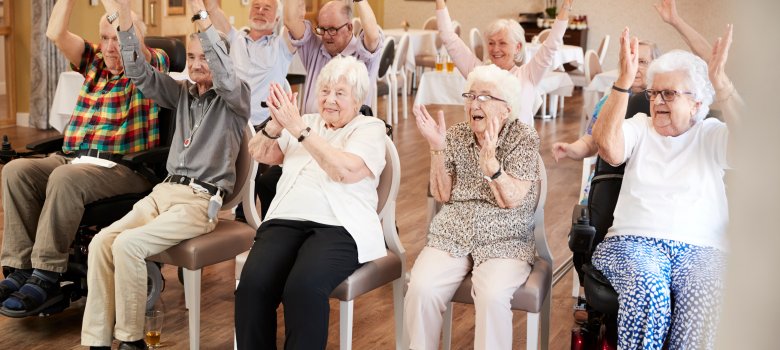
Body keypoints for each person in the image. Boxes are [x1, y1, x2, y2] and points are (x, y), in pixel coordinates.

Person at [80, 0, 250, 348]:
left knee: (128, 245)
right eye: (191, 58)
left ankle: (130, 341)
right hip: (163, 193)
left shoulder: (236, 99)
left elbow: (224, 72)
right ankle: (97, 342)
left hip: (200, 201)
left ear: (219, 59)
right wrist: (123, 22)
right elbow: (139, 73)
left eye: (205, 57)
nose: (197, 65)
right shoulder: (183, 93)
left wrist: (201, 14)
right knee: (100, 243)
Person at [0, 0, 168, 317]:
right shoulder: (93, 62)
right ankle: (20, 268)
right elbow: (54, 32)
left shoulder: (151, 64)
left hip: (124, 167)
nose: (109, 46)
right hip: (75, 159)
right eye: (104, 38)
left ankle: (47, 276)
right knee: (16, 170)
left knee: (65, 179)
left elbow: (130, 39)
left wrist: (120, 17)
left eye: (116, 38)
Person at [590, 26, 739, 349]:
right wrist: (623, 85)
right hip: (633, 242)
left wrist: (723, 85)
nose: (656, 101)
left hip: (703, 248)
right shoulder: (640, 127)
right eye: (654, 93)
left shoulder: (710, 133)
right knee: (648, 288)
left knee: (708, 290)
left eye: (668, 94)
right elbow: (609, 149)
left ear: (697, 104)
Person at [235, 55, 387, 349]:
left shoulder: (370, 128)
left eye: (340, 93)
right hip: (284, 220)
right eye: (325, 91)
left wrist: (300, 132)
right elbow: (260, 152)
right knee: (252, 287)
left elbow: (343, 171)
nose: (330, 99)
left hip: (340, 226)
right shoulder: (304, 121)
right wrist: (275, 127)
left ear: (357, 99)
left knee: (303, 288)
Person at [404, 65, 541, 350]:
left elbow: (512, 199)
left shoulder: (523, 138)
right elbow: (442, 193)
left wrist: (492, 168)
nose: (474, 104)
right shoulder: (456, 135)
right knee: (421, 288)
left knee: (492, 296)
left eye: (484, 97)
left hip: (506, 237)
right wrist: (437, 147)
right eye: (470, 96)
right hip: (453, 232)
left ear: (506, 108)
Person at [204, 0, 293, 220]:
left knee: (266, 183)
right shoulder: (235, 38)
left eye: (267, 8)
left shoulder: (281, 45)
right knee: (239, 184)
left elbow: (295, 18)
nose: (260, 11)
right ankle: (242, 221)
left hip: (268, 127)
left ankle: (271, 224)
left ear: (277, 17)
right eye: (256, 6)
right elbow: (212, 9)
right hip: (236, 125)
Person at [433, 0, 573, 125]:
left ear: (517, 47)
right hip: (483, 149)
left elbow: (551, 44)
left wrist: (566, 5)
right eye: (491, 43)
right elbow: (449, 37)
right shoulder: (478, 72)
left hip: (519, 150)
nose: (495, 49)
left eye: (502, 43)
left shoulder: (528, 74)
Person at [551, 40, 660, 162]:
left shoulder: (661, 103)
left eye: (642, 62)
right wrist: (570, 149)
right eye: (629, 60)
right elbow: (590, 142)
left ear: (655, 67)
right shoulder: (609, 100)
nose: (634, 66)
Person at [284, 0, 384, 114]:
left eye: (332, 29)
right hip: (310, 127)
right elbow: (290, 20)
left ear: (349, 28)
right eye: (322, 29)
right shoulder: (314, 48)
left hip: (349, 131)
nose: (326, 36)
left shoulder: (363, 56)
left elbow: (373, 38)